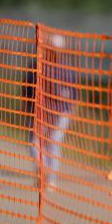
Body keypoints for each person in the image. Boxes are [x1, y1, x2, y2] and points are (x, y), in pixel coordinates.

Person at [39, 33, 79, 189]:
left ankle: (51, 178)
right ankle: (44, 173)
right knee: (44, 142)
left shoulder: (66, 69)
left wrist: (70, 108)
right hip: (46, 109)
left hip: (61, 111)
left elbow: (74, 92)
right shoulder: (43, 66)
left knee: (54, 141)